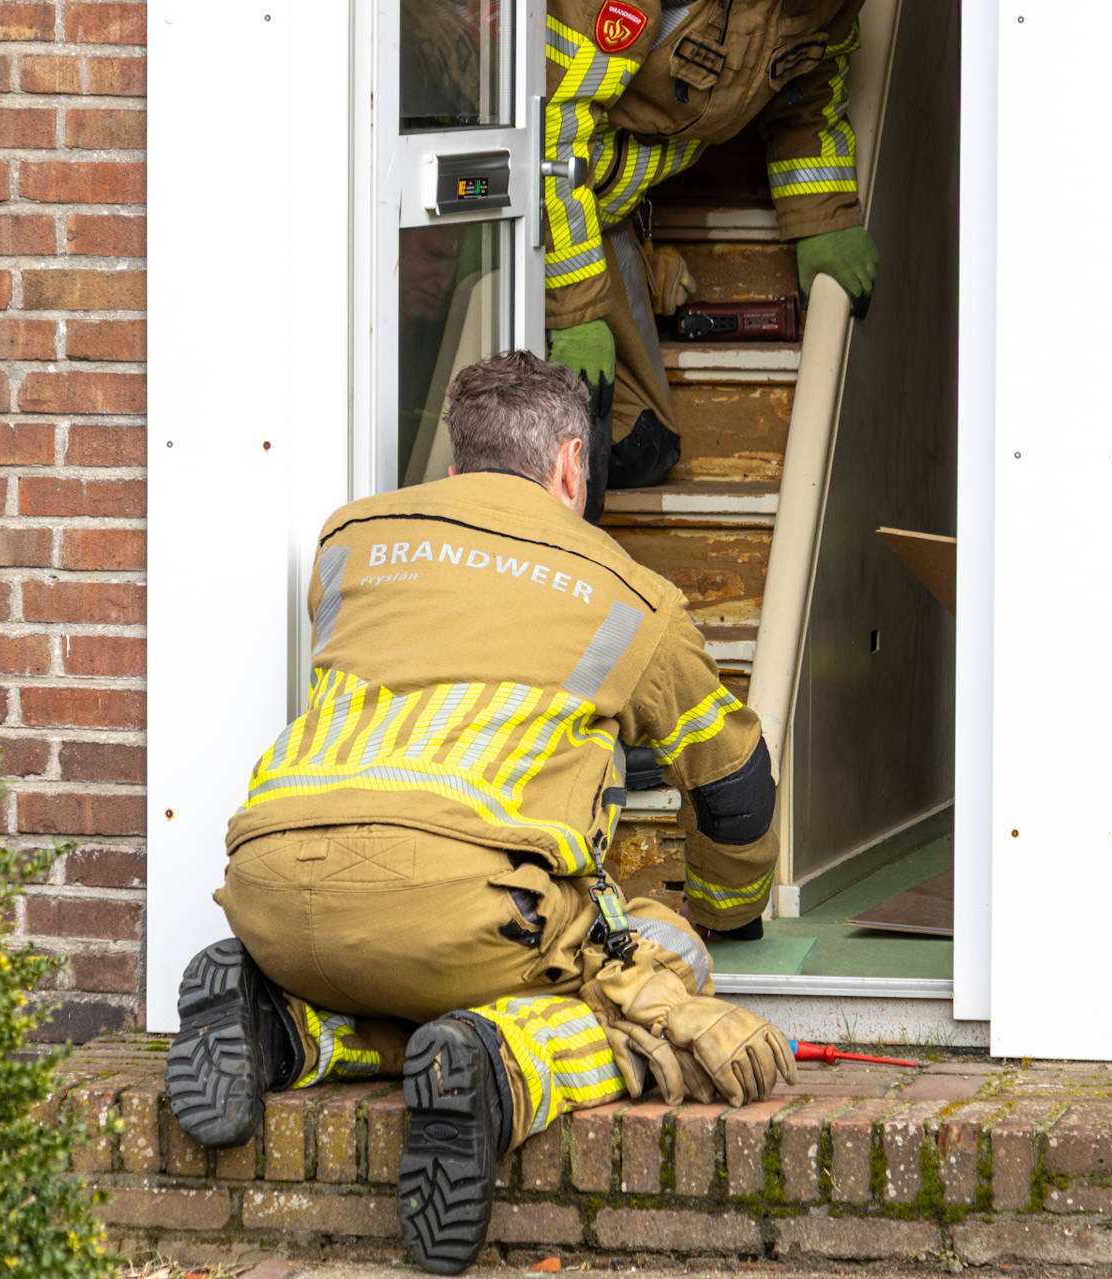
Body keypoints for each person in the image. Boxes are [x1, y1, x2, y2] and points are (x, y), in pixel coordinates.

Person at [166, 350, 794, 1275]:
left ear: (458, 466)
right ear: (573, 466)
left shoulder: (349, 541)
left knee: (401, 970)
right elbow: (734, 780)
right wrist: (726, 912)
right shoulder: (631, 596)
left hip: (270, 888)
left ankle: (283, 1027)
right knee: (663, 963)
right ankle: (501, 1068)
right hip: (466, 909)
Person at [540, 0, 880, 512]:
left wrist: (824, 219)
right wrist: (575, 308)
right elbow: (550, 129)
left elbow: (808, 92)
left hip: (604, 213)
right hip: (517, 215)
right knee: (557, 464)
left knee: (641, 446)